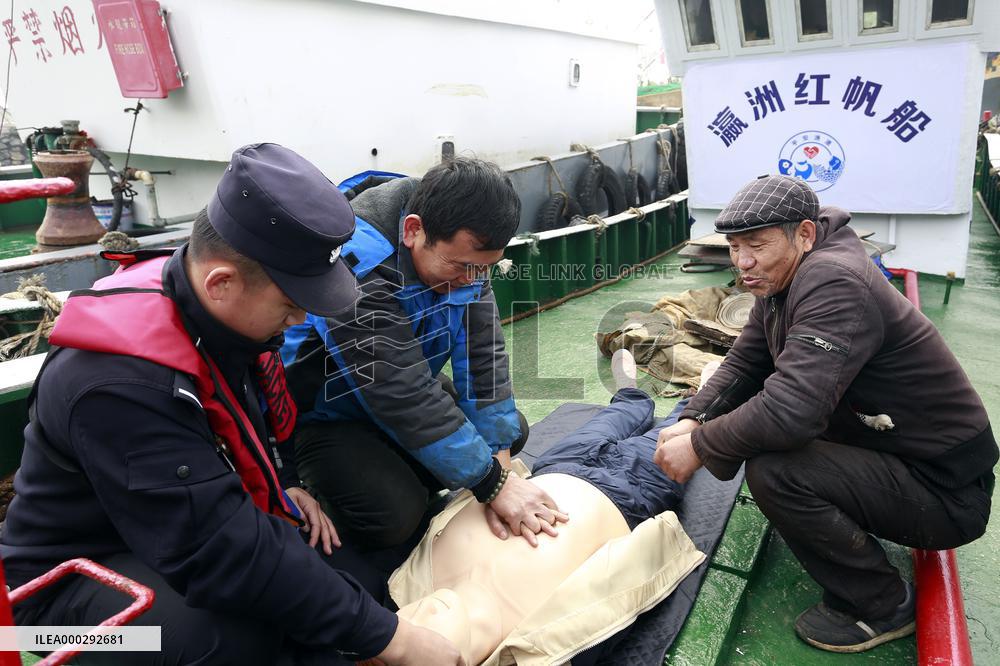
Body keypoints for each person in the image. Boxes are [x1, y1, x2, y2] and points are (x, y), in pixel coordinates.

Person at [0, 143, 464, 665]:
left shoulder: (217, 319)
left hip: (164, 531)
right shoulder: (122, 385)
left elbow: (257, 426)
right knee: (228, 643)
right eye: (291, 306)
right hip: (54, 607)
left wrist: (286, 477)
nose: (298, 323)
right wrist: (390, 640)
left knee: (358, 578)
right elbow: (217, 549)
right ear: (221, 283)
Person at [653, 174, 998, 653]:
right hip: (897, 449)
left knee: (776, 470)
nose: (743, 262)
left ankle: (883, 605)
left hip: (947, 490)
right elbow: (747, 361)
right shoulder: (783, 278)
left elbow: (792, 411)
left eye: (757, 245)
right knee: (766, 439)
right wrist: (693, 416)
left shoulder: (833, 279)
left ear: (805, 235)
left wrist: (701, 445)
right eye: (733, 247)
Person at [281, 158, 566, 550]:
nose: (473, 279)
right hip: (326, 414)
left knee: (510, 431)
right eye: (463, 267)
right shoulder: (355, 268)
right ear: (414, 231)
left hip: (404, 387)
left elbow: (484, 360)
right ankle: (322, 483)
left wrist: (498, 471)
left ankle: (403, 468)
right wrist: (493, 485)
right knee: (394, 515)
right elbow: (401, 392)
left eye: (484, 269)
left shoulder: (466, 261)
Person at [384, 350, 704, 666]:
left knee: (619, 415)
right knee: (682, 431)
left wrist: (500, 481)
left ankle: (631, 396)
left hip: (552, 469)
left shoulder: (408, 583)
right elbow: (630, 575)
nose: (414, 618)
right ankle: (701, 399)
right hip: (627, 491)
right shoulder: (541, 645)